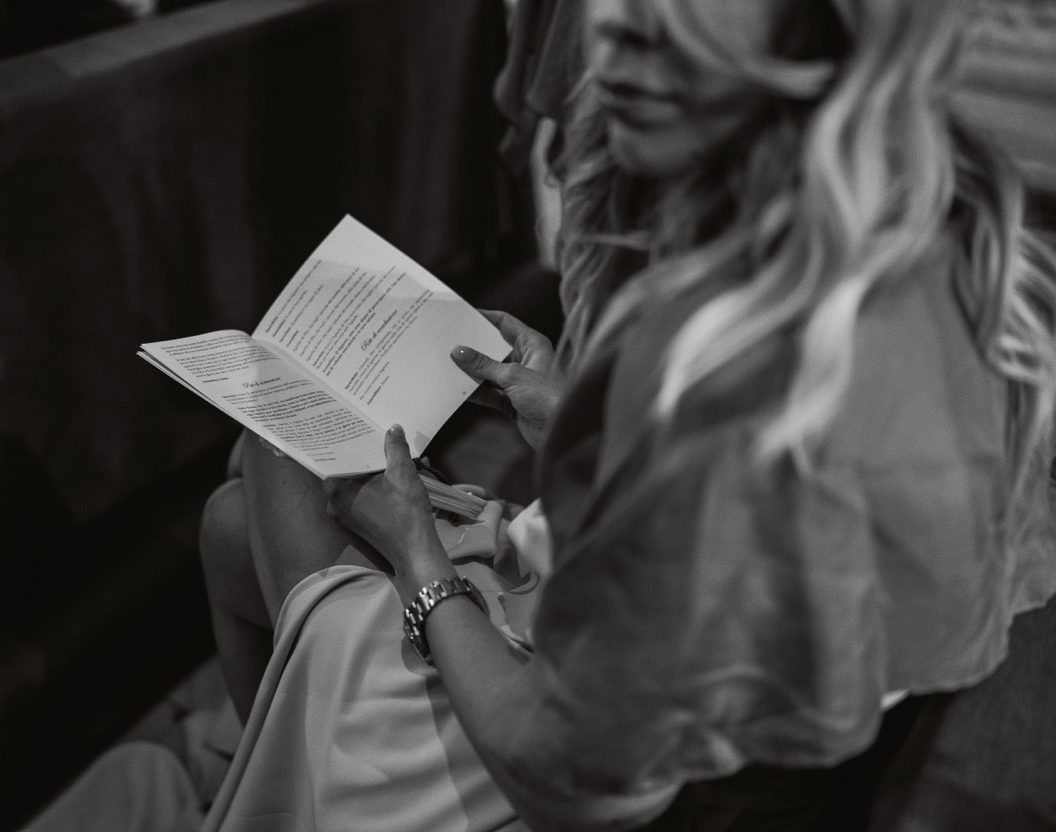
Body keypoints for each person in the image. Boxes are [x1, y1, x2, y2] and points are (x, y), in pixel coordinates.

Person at [198, 0, 1056, 829]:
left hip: (647, 783)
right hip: (748, 718)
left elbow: (577, 791)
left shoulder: (735, 378)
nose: (612, 33)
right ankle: (286, 768)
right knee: (234, 525)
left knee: (271, 454)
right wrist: (578, 412)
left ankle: (301, 779)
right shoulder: (919, 226)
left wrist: (421, 562)